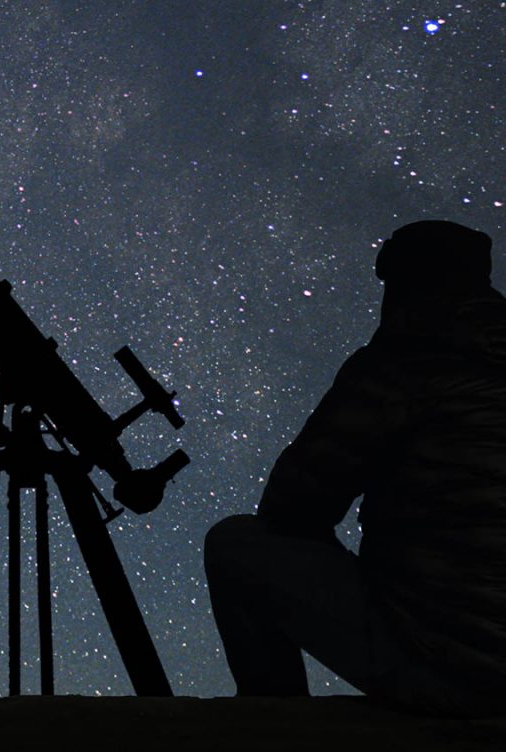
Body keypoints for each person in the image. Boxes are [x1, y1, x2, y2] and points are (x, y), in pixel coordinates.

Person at [204, 220, 506, 717]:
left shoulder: (404, 360)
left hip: (452, 670)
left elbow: (292, 505)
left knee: (237, 545)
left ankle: (274, 728)